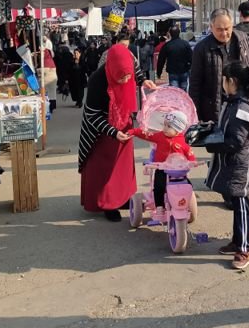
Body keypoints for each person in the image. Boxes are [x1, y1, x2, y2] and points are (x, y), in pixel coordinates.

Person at [77, 45, 154, 222]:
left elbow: (134, 70)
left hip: (123, 118)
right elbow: (92, 115)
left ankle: (123, 197)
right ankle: (107, 204)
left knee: (124, 164)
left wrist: (143, 81)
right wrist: (113, 132)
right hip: (101, 128)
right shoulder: (97, 80)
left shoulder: (129, 63)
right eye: (121, 77)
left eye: (128, 77)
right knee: (104, 167)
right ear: (112, 71)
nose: (125, 80)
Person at [206, 61, 249, 270]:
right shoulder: (234, 102)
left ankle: (244, 249)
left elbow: (236, 141)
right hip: (233, 162)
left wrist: (212, 144)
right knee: (236, 201)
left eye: (224, 80)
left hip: (240, 164)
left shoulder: (242, 108)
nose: (222, 84)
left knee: (241, 204)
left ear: (232, 81)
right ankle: (237, 241)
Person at [189, 8, 249, 124]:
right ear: (211, 27)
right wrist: (195, 115)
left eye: (227, 29)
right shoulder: (202, 48)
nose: (224, 33)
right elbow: (195, 84)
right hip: (213, 109)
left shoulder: (244, 41)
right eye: (219, 29)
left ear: (232, 25)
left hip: (243, 105)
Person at [127, 111, 195, 220]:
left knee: (188, 185)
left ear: (178, 129)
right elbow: (146, 134)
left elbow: (189, 152)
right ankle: (159, 207)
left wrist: (192, 161)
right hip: (161, 168)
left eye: (169, 126)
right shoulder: (160, 136)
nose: (164, 128)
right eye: (164, 125)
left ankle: (185, 203)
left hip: (177, 171)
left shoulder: (183, 140)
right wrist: (134, 131)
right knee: (158, 186)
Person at [156, 26, 193, 91]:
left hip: (172, 71)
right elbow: (191, 58)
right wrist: (190, 68)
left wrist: (159, 72)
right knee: (183, 91)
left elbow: (161, 60)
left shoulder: (167, 45)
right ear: (179, 33)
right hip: (184, 70)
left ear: (170, 34)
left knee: (175, 91)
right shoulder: (185, 44)